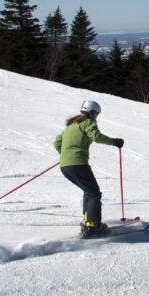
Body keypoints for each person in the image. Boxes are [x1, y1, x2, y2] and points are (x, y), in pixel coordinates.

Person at [53, 100, 124, 238]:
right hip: (78, 164)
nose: (96, 116)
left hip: (65, 166)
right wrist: (115, 142)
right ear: (92, 112)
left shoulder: (71, 124)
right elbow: (96, 137)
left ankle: (88, 221)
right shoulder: (88, 122)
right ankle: (92, 226)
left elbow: (57, 142)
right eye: (96, 113)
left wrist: (65, 155)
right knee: (94, 193)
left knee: (88, 191)